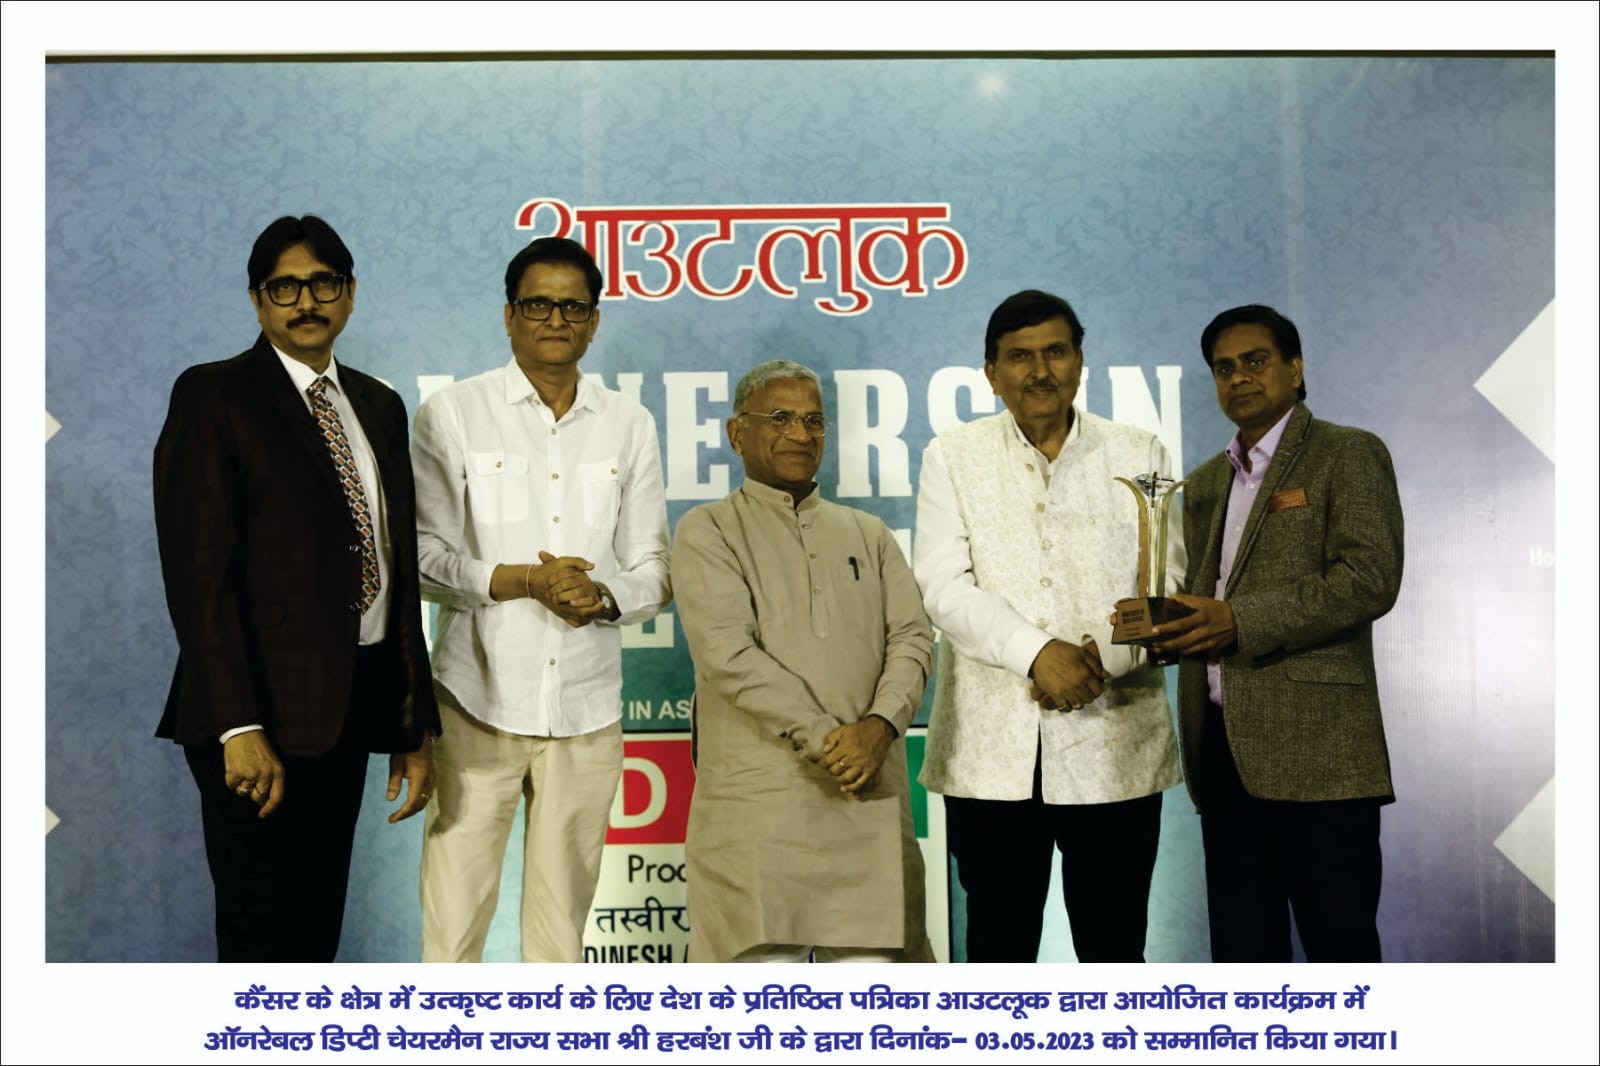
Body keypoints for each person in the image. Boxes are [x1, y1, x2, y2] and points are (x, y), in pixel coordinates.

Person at [153, 215, 439, 963]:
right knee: (260, 940)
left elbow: (397, 568)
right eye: (284, 287)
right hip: (256, 720)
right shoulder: (215, 395)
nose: (306, 301)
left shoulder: (377, 405)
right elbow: (199, 576)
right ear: (257, 300)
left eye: (323, 283)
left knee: (315, 937)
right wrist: (236, 726)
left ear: (350, 293)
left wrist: (410, 723)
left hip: (349, 708)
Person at [410, 236, 671, 962]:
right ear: (508, 315)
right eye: (537, 304)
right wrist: (524, 579)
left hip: (587, 708)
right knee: (452, 935)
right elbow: (423, 561)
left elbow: (655, 569)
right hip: (476, 700)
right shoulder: (453, 413)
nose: (555, 319)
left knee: (560, 943)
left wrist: (602, 594)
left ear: (594, 321)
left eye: (572, 307)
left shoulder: (629, 423)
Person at [913, 289, 1183, 963]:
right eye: (1020, 357)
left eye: (1056, 352)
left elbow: (1164, 588)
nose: (1040, 371)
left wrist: (1097, 661)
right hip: (990, 754)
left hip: (1116, 746)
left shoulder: (1140, 452)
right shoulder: (952, 456)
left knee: (1115, 954)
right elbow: (943, 587)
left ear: (1080, 361)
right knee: (999, 956)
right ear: (991, 373)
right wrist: (1038, 655)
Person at [1150, 304, 1403, 962]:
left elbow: (1370, 579)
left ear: (1295, 368)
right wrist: (1165, 629)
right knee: (1244, 961)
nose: (1239, 377)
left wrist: (1240, 619)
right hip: (1222, 754)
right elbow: (1203, 595)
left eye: (1256, 361)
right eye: (1223, 368)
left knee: (1341, 956)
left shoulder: (1347, 452)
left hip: (1321, 758)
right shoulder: (1205, 482)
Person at [673, 360, 934, 963]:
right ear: (737, 433)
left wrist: (879, 728)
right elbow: (728, 655)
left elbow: (914, 638)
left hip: (866, 800)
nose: (800, 433)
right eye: (780, 417)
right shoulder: (708, 529)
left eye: (814, 421)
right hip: (757, 806)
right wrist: (832, 742)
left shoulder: (868, 533)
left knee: (881, 1002)